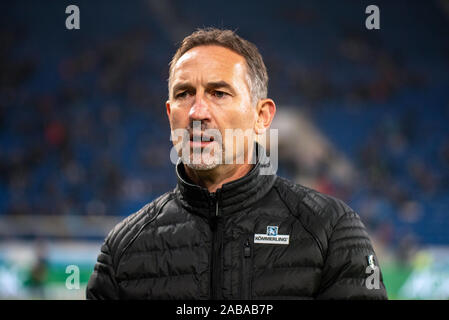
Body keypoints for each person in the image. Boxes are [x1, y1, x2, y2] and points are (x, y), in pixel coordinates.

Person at [86, 28, 388, 300]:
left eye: (219, 93)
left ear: (262, 117)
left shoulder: (332, 229)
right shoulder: (123, 248)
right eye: (184, 94)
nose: (197, 111)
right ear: (169, 114)